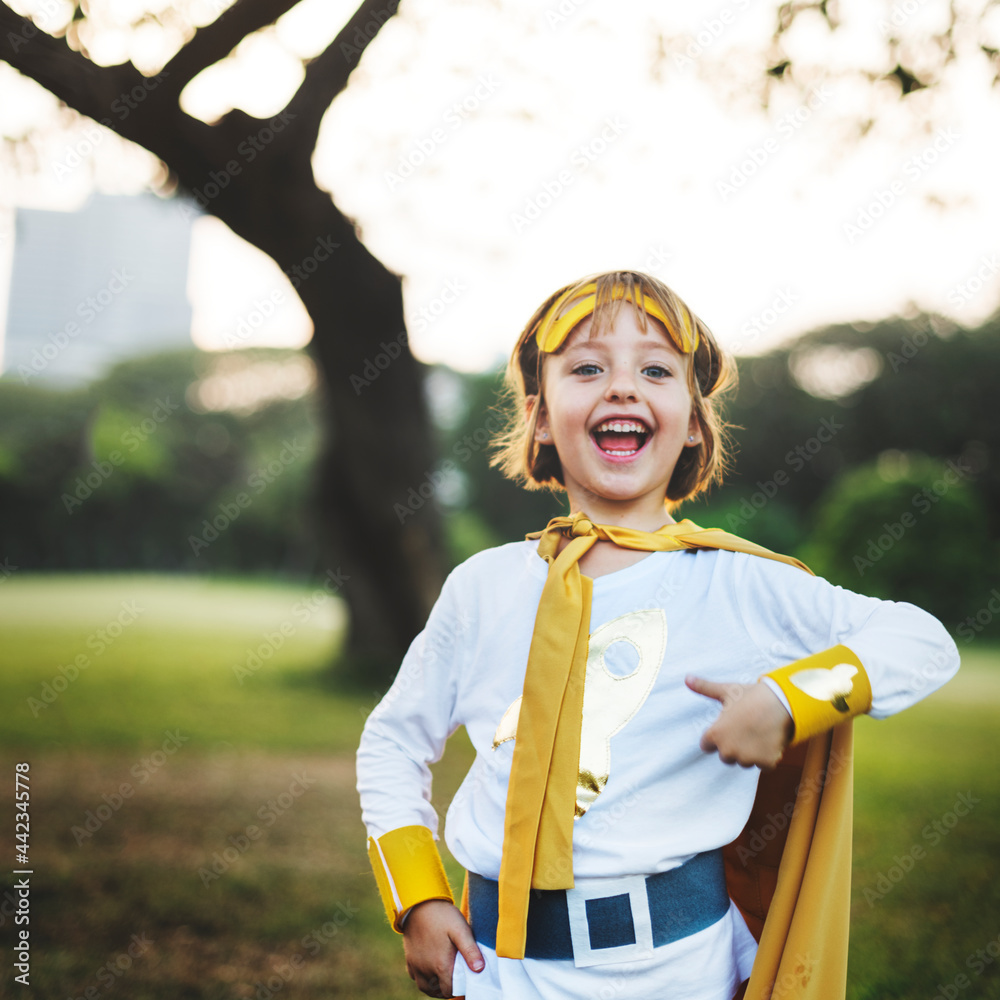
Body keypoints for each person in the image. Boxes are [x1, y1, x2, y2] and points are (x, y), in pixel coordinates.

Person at [356, 270, 959, 1000]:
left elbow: (922, 639)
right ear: (541, 417)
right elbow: (393, 740)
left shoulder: (738, 584)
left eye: (654, 370)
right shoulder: (484, 587)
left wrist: (788, 699)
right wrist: (417, 896)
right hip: (498, 975)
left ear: (695, 421)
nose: (620, 388)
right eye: (586, 368)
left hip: (679, 973)